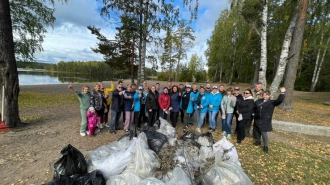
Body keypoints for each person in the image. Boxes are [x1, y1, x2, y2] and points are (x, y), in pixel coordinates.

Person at [254, 87, 286, 153]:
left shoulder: (272, 102)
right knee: (257, 130)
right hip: (257, 119)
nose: (265, 96)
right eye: (264, 95)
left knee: (263, 132)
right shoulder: (258, 101)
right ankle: (258, 141)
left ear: (269, 95)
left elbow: (280, 100)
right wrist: (253, 113)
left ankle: (266, 146)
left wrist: (282, 92)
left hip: (265, 120)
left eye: (267, 95)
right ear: (262, 95)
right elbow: (254, 107)